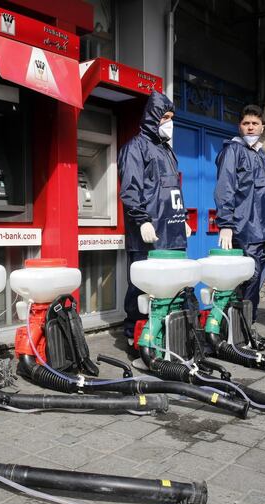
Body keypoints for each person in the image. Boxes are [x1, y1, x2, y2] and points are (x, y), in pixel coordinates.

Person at [118, 91, 192, 345]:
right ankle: (133, 335)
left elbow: (172, 189)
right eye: (164, 117)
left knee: (171, 288)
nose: (169, 122)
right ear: (152, 118)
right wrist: (142, 220)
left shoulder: (167, 152)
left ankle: (166, 335)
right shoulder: (134, 148)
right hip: (148, 235)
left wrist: (182, 218)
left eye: (171, 117)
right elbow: (130, 190)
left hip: (172, 233)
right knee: (142, 286)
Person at [214, 105, 265, 329]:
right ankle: (233, 329)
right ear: (239, 126)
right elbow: (225, 188)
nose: (250, 127)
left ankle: (247, 326)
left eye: (255, 123)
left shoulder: (262, 155)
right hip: (245, 229)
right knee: (247, 280)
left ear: (262, 127)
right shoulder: (232, 151)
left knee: (256, 282)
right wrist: (226, 224)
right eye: (246, 123)